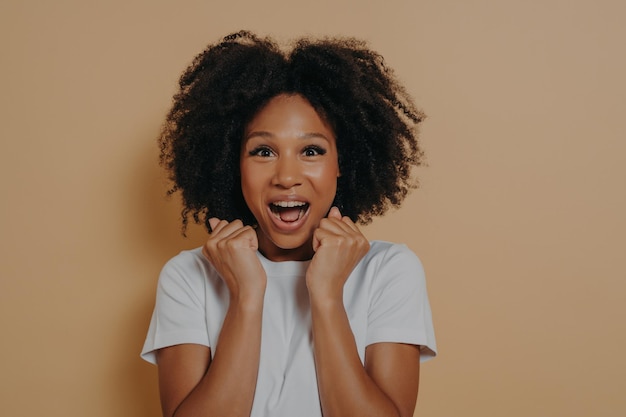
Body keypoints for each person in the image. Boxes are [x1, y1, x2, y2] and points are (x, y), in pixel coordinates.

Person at [141, 30, 437, 417]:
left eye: (311, 150)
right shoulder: (188, 275)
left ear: (342, 163)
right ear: (234, 164)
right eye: (263, 151)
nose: (286, 176)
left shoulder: (389, 270)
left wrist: (327, 294)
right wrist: (247, 294)